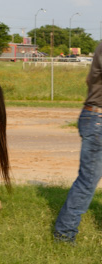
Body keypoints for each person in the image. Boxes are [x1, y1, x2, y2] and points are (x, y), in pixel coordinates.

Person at [54, 41, 102, 245]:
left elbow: (88, 78)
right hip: (98, 120)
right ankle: (64, 234)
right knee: (87, 182)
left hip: (95, 118)